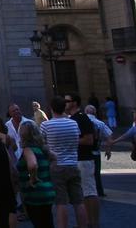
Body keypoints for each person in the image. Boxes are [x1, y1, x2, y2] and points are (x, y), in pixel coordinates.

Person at [38, 96, 86, 228]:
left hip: (57, 166)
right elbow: (76, 140)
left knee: (60, 203)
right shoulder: (73, 123)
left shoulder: (46, 125)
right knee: (79, 201)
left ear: (52, 108)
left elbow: (41, 144)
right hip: (73, 164)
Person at [63, 94, 98, 228]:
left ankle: (93, 222)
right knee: (84, 192)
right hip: (78, 159)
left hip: (85, 159)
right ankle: (88, 222)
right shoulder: (73, 118)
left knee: (90, 192)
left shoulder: (82, 118)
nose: (65, 103)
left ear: (75, 103)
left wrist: (71, 141)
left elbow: (89, 140)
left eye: (67, 101)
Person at [16, 122, 56, 228]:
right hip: (47, 190)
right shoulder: (42, 149)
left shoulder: (28, 150)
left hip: (35, 194)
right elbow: (54, 159)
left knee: (39, 223)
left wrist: (32, 179)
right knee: (48, 222)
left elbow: (33, 164)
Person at [83, 105, 110, 197]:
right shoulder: (100, 123)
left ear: (85, 112)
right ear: (95, 112)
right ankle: (99, 191)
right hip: (96, 151)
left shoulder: (82, 122)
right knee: (96, 173)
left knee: (84, 173)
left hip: (83, 152)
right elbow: (109, 136)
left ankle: (87, 192)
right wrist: (108, 149)